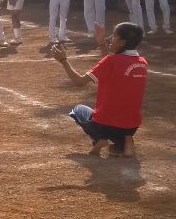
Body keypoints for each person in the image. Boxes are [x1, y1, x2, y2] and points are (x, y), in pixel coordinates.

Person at [51, 22, 148, 159]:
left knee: (79, 110)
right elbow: (113, 64)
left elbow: (79, 82)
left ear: (122, 42)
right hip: (131, 127)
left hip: (105, 125)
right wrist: (102, 44)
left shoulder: (111, 61)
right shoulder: (142, 63)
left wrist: (63, 60)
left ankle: (100, 138)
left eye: (114, 37)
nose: (110, 39)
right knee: (120, 133)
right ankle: (126, 141)